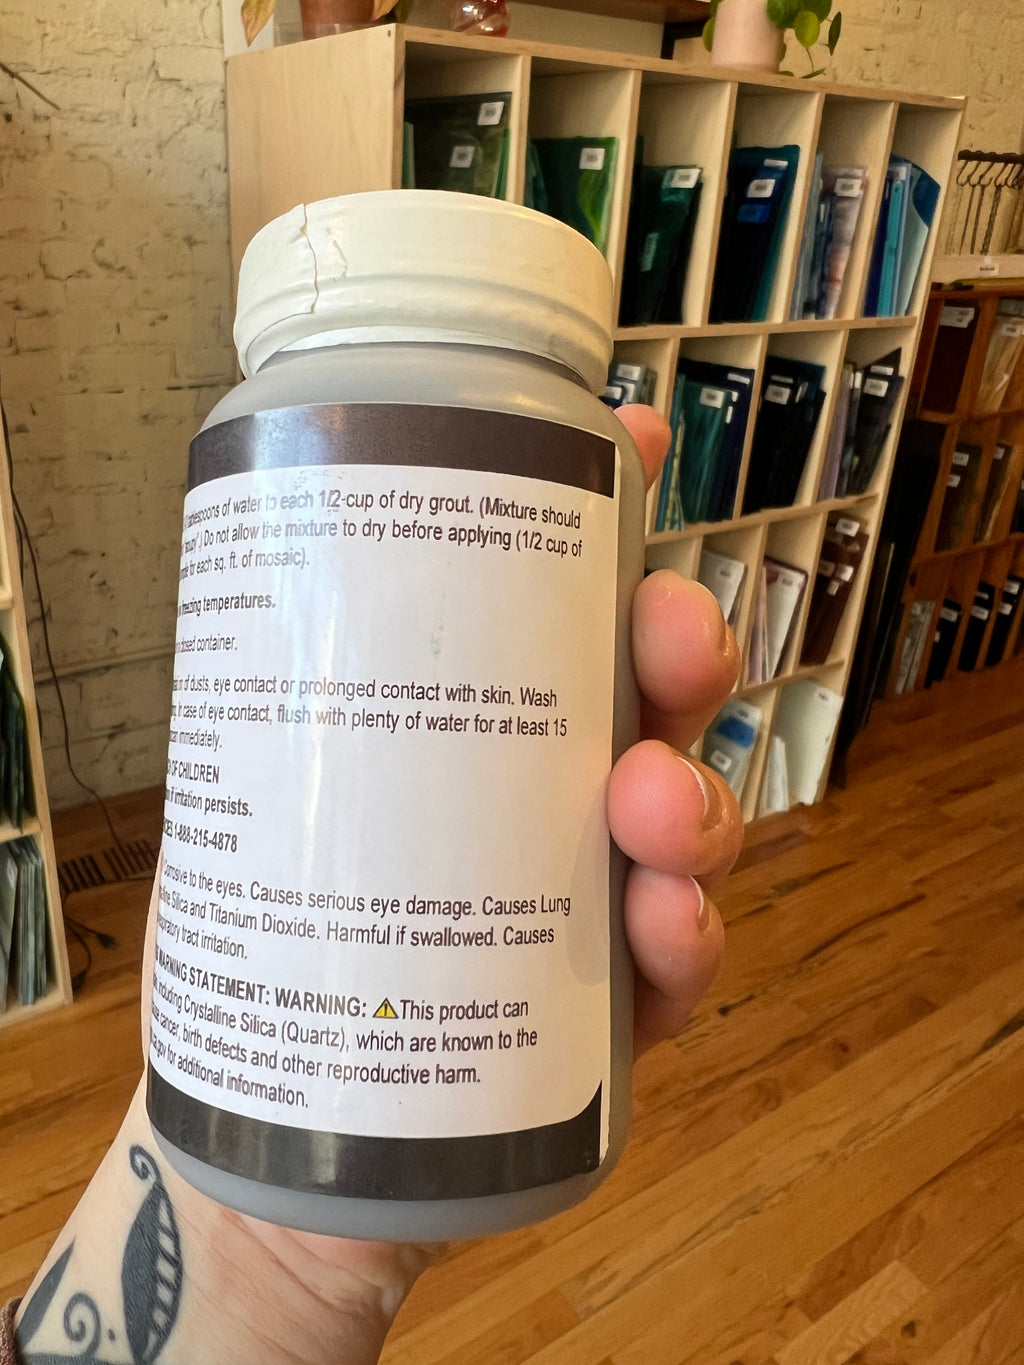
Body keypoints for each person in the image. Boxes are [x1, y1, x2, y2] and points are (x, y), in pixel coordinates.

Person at [6, 405, 744, 1365]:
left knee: (655, 780)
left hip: (485, 1026)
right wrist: (254, 1246)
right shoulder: (250, 452)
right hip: (245, 1070)